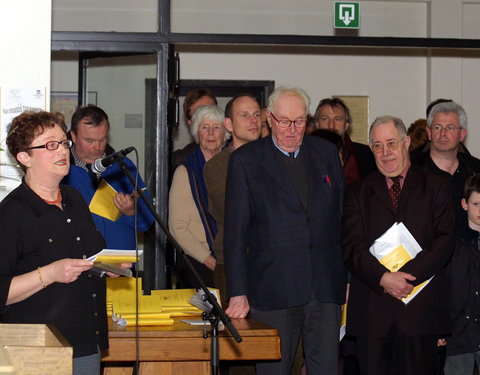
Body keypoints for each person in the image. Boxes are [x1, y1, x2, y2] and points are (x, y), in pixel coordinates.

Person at [224, 87, 346, 374]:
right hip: (273, 287)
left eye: (300, 121)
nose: (292, 130)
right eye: (284, 121)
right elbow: (236, 233)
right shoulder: (246, 161)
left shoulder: (326, 153)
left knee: (326, 368)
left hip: (324, 286)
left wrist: (346, 278)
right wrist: (238, 292)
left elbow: (341, 218)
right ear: (269, 118)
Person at [0, 111, 128, 375]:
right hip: (35, 349)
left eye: (63, 143)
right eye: (50, 145)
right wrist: (50, 273)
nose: (62, 151)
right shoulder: (12, 213)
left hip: (84, 341)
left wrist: (108, 267)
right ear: (24, 157)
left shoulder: (74, 198)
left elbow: (87, 258)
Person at [342, 115, 455, 375]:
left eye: (391, 143)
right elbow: (351, 246)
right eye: (377, 146)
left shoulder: (436, 186)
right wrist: (383, 278)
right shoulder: (357, 192)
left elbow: (444, 240)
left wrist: (405, 279)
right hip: (373, 311)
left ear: (406, 143)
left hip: (420, 311)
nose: (385, 152)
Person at [62, 105, 154, 250]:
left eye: (102, 139)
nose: (97, 147)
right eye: (90, 141)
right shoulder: (61, 171)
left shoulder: (123, 167)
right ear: (73, 136)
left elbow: (147, 222)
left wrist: (131, 211)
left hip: (121, 264)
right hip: (80, 265)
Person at [204, 93, 262, 306]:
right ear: (228, 124)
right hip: (234, 262)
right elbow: (234, 212)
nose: (253, 120)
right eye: (245, 115)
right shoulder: (217, 166)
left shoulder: (273, 159)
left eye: (257, 114)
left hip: (271, 261)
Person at [169, 104, 229, 288]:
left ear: (226, 134)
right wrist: (210, 262)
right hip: (200, 265)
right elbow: (177, 228)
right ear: (196, 134)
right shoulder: (185, 171)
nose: (211, 133)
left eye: (216, 127)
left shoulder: (235, 167)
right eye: (205, 127)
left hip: (233, 261)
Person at [411, 101, 480, 232]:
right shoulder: (411, 171)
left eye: (450, 128)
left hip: (471, 249)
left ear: (462, 134)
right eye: (437, 127)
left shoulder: (476, 170)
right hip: (427, 250)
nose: (443, 133)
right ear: (429, 133)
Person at [444, 174, 480, 374]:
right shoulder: (451, 245)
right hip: (457, 335)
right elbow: (442, 289)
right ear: (464, 204)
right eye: (476, 203)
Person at [313, 97, 376, 183]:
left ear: (346, 124)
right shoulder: (305, 154)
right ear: (317, 124)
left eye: (337, 119)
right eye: (325, 119)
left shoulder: (365, 154)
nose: (331, 125)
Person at [172, 88, 217, 166]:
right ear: (190, 123)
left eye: (211, 111)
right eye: (200, 115)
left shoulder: (235, 153)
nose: (208, 118)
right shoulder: (181, 159)